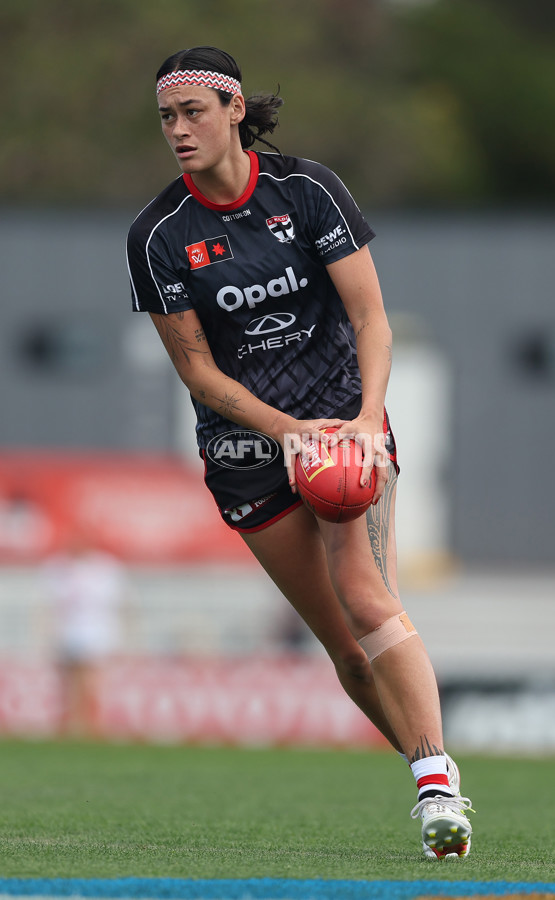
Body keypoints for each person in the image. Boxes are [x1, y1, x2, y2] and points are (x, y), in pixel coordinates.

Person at [126, 46, 473, 859]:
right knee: (347, 653)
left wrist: (365, 420)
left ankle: (435, 789)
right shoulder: (158, 236)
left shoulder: (308, 190)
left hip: (345, 427)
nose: (178, 131)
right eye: (167, 119)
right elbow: (199, 372)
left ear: (235, 109)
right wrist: (287, 434)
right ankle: (436, 768)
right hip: (249, 447)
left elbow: (372, 320)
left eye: (193, 113)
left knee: (367, 595)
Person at [40, 532, 128, 737]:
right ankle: (71, 725)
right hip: (67, 632)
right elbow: (48, 605)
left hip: (97, 633)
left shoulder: (106, 567)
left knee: (90, 683)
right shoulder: (58, 567)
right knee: (68, 683)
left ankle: (91, 726)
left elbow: (120, 604)